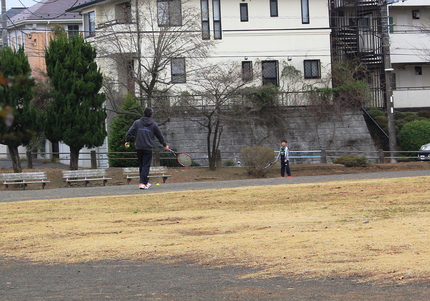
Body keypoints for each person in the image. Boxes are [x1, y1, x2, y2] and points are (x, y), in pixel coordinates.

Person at [125, 107, 169, 190]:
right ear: (151, 115)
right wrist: (164, 145)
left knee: (142, 165)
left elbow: (129, 132)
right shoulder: (153, 125)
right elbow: (160, 136)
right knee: (145, 165)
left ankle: (145, 182)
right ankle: (142, 182)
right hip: (148, 148)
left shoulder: (137, 123)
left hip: (139, 147)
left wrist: (127, 141)